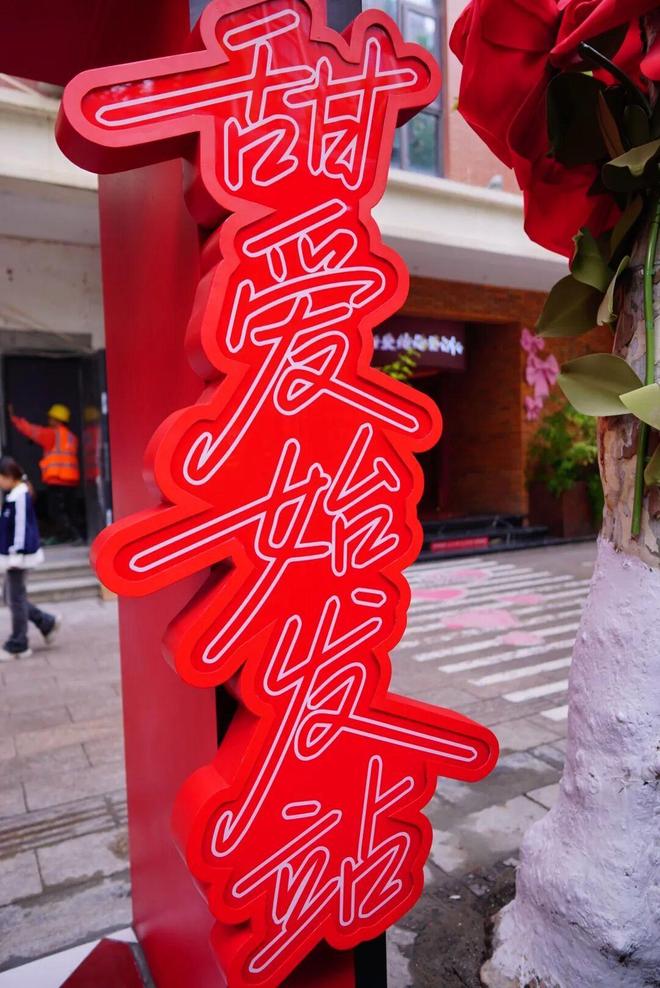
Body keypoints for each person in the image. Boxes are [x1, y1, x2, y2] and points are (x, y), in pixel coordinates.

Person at [0, 456, 61, 660]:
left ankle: (19, 643)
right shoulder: (14, 495)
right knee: (12, 597)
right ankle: (46, 622)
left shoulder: (19, 496)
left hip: (18, 557)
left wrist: (15, 553)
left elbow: (20, 528)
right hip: (15, 555)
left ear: (9, 476)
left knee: (15, 599)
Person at [9, 403, 82, 544]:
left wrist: (14, 419)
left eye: (51, 418)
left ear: (57, 420)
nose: (49, 420)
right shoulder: (71, 436)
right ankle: (70, 535)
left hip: (57, 479)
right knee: (69, 509)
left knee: (56, 511)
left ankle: (70, 535)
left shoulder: (52, 434)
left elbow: (32, 431)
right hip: (71, 479)